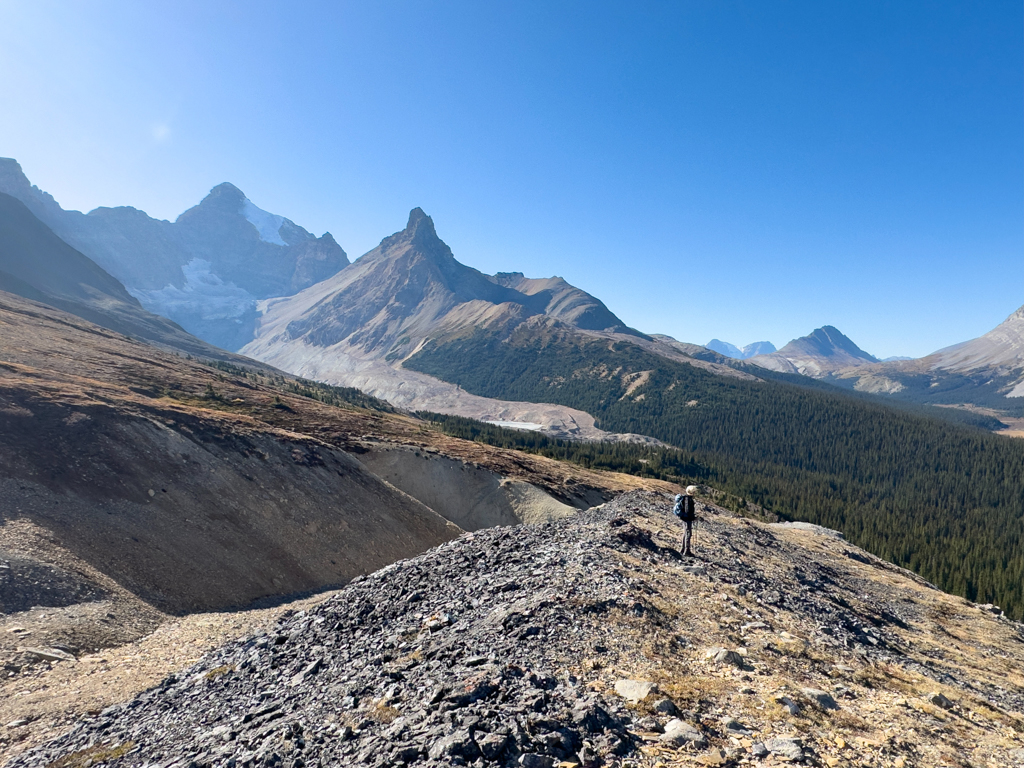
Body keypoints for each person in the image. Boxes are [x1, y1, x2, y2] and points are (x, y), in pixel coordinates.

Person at [672, 486, 699, 557]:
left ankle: (683, 549)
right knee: (688, 534)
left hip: (684, 518)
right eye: (694, 491)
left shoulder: (685, 498)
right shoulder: (688, 500)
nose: (695, 493)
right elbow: (688, 511)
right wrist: (694, 518)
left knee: (685, 533)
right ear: (692, 492)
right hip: (687, 519)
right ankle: (687, 551)